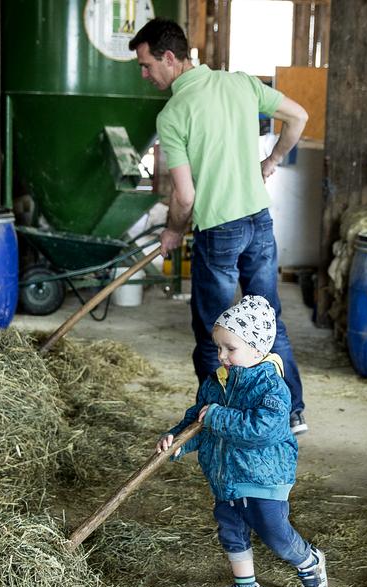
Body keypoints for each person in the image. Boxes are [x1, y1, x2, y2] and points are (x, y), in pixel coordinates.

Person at [129, 18, 310, 435]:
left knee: (215, 329)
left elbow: (186, 197)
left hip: (219, 230)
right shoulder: (241, 84)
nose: (144, 74)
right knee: (268, 321)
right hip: (259, 220)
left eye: (146, 65)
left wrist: (173, 230)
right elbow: (298, 116)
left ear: (169, 58)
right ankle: (291, 411)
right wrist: (273, 160)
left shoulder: (173, 114)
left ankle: (215, 417)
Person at [155, 295, 327, 587]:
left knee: (275, 535)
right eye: (218, 347)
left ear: (258, 348)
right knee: (231, 530)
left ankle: (308, 560)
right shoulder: (216, 381)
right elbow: (199, 420)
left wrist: (217, 416)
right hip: (226, 475)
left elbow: (262, 431)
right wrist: (177, 440)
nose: (221, 356)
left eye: (230, 349)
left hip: (263, 476)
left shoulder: (272, 387)